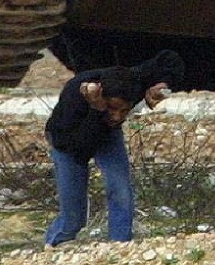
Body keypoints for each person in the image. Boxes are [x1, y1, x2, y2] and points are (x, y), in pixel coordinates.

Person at [44, 49, 185, 246]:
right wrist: (97, 111)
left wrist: (164, 84)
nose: (118, 116)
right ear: (101, 94)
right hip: (67, 142)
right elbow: (78, 150)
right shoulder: (74, 94)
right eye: (112, 108)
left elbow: (170, 59)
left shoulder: (135, 80)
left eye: (124, 110)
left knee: (121, 190)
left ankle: (120, 246)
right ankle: (52, 247)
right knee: (73, 219)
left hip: (107, 133)